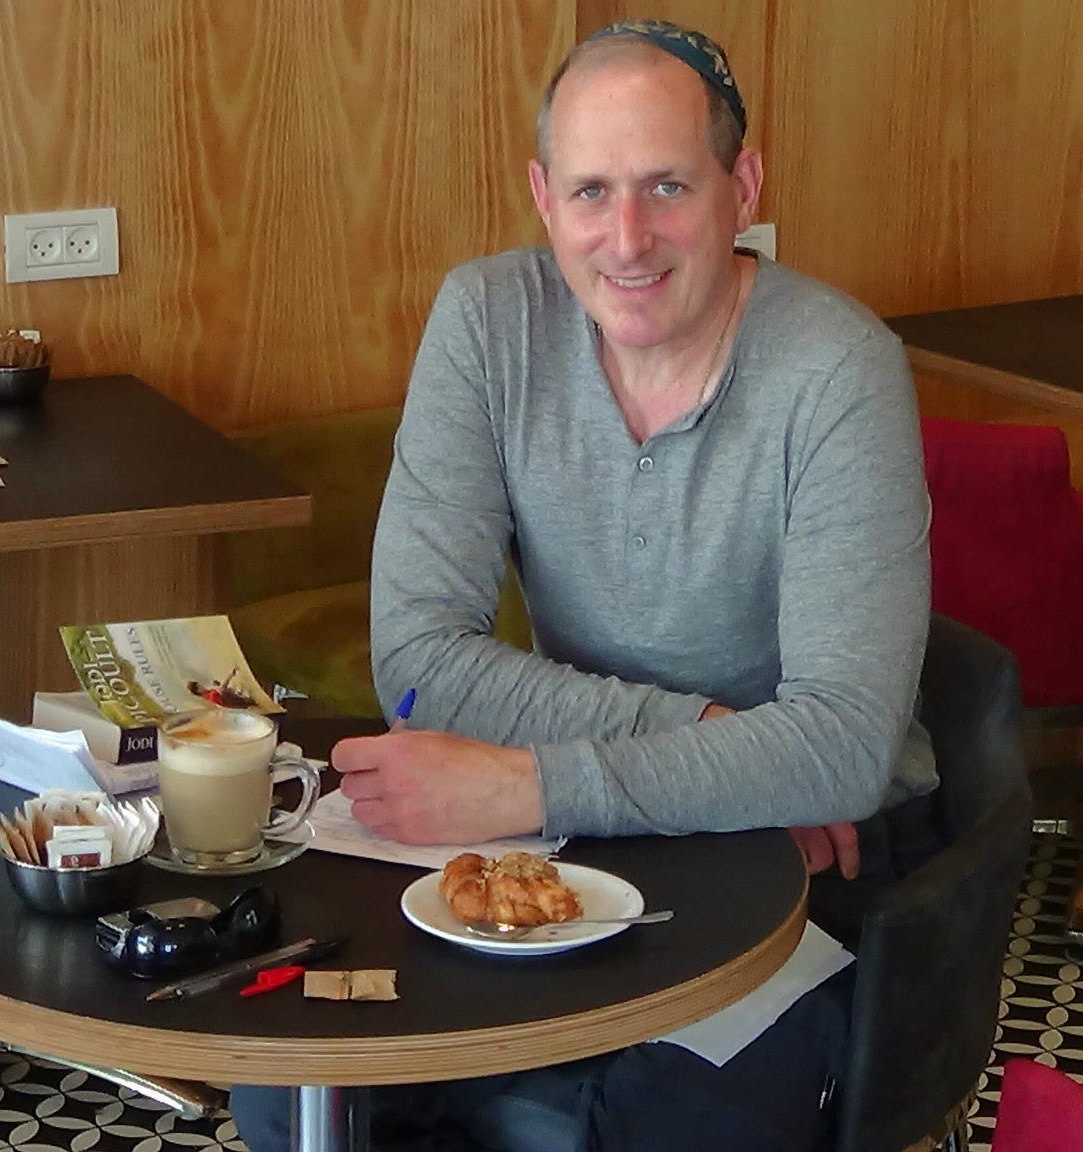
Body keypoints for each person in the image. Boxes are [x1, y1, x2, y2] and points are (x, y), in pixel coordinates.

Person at [229, 18, 933, 1151]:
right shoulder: (486, 321)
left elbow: (843, 752)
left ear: (740, 184)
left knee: (644, 1127)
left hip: (804, 867)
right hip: (593, 838)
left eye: (666, 186)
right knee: (303, 1097)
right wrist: (723, 742)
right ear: (541, 196)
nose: (626, 238)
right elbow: (415, 654)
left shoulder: (840, 368)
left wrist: (530, 784)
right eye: (590, 191)